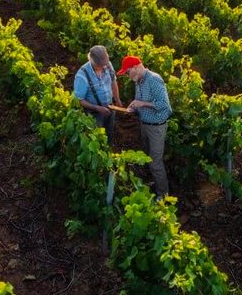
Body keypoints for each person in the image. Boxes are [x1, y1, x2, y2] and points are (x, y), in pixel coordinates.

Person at [117, 55, 171, 197]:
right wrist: (133, 107)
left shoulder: (154, 79)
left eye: (128, 72)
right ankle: (156, 183)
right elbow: (139, 102)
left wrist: (143, 104)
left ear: (135, 67)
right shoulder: (138, 81)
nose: (128, 76)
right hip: (144, 125)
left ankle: (163, 195)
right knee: (147, 157)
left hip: (156, 128)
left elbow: (165, 106)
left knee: (155, 162)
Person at [73, 45, 122, 143]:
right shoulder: (82, 75)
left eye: (105, 63)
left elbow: (113, 82)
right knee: (97, 139)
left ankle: (109, 150)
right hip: (94, 114)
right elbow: (80, 100)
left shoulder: (108, 65)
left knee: (109, 133)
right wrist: (97, 108)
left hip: (110, 107)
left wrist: (117, 99)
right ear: (92, 61)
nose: (104, 67)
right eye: (100, 65)